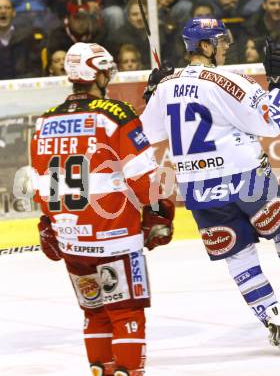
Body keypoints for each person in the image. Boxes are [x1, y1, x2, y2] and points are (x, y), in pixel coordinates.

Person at [140, 17, 280, 356]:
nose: (227, 45)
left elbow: (144, 135)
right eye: (221, 40)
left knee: (238, 255)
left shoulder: (167, 85)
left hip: (198, 189)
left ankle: (273, 320)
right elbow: (270, 123)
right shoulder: (229, 81)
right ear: (205, 46)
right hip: (245, 178)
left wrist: (152, 94)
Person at [30, 42, 174, 376]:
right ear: (98, 73)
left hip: (71, 239)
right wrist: (158, 212)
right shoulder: (115, 114)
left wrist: (48, 224)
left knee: (95, 313)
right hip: (114, 239)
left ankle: (102, 370)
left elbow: (39, 182)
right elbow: (142, 175)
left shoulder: (44, 121)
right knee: (125, 312)